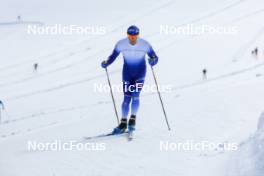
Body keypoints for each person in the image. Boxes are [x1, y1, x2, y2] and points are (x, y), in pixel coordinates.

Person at [101, 25, 158, 134]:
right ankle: (123, 124)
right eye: (130, 36)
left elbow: (155, 57)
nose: (132, 38)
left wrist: (153, 61)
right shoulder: (121, 44)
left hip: (140, 73)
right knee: (126, 98)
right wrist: (106, 63)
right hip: (127, 74)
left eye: (134, 36)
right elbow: (112, 56)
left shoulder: (145, 44)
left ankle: (132, 120)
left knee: (135, 94)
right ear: (127, 35)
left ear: (138, 35)